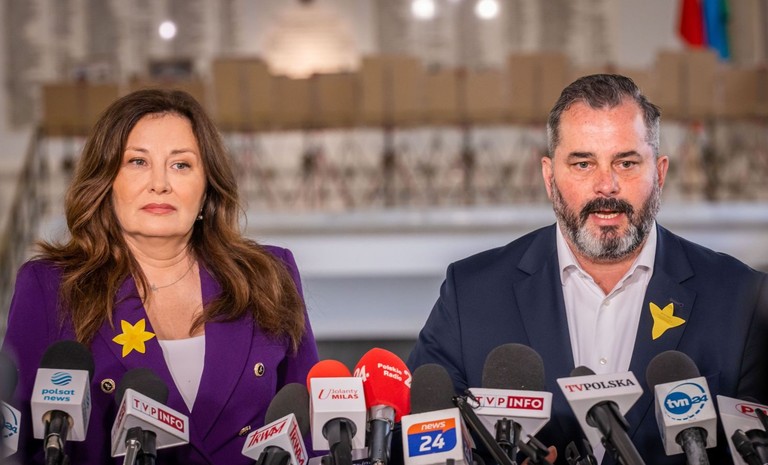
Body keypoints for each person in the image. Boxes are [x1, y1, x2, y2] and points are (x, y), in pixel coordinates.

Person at [407, 74, 768, 464]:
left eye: (626, 163)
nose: (606, 185)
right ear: (550, 178)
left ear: (660, 173)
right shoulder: (471, 294)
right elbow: (411, 440)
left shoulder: (742, 299)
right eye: (583, 163)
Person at [2, 89, 319, 464]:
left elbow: (309, 432)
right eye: (137, 162)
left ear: (207, 186)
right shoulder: (50, 287)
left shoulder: (269, 275)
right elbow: (15, 445)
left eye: (181, 165)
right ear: (106, 180)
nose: (160, 184)